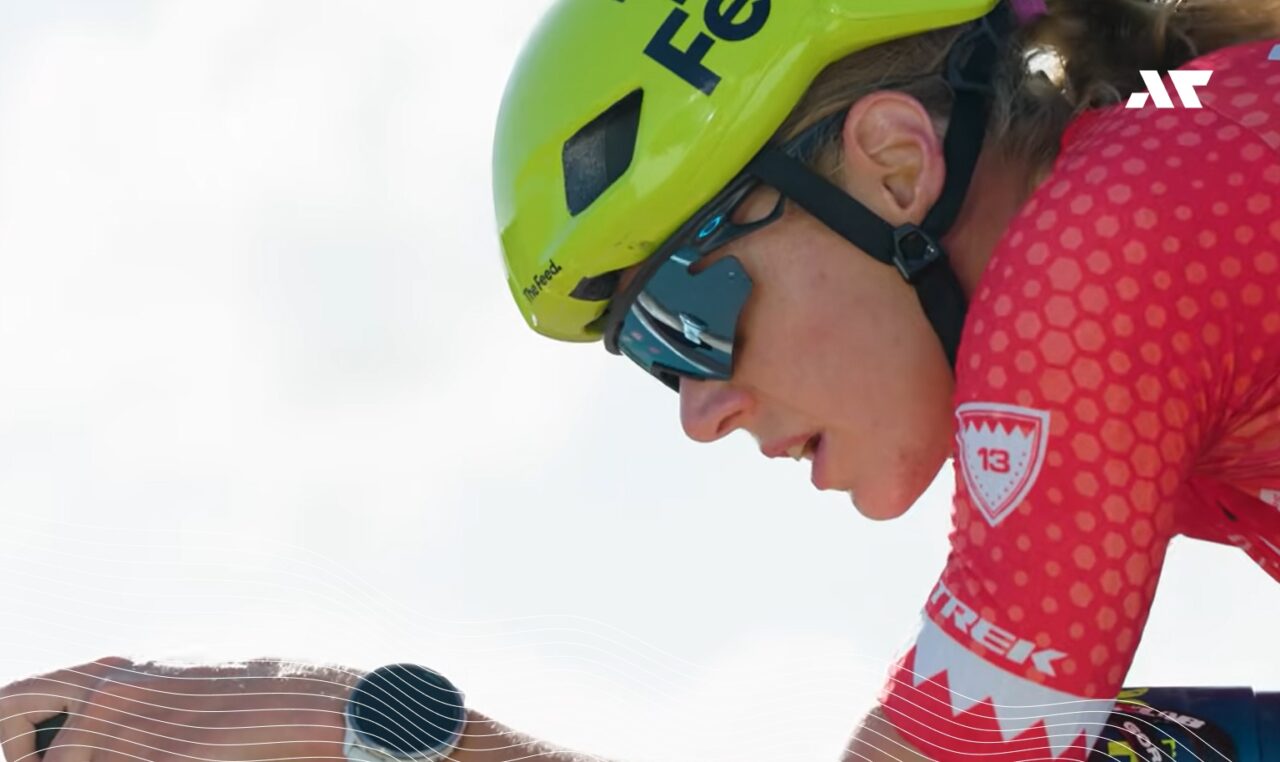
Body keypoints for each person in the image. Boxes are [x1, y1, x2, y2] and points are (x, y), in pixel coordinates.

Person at [3, 0, 1280, 760]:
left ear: (894, 165)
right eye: (650, 363)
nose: (697, 411)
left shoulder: (1102, 251)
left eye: (686, 315)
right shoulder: (1172, 178)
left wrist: (367, 736)